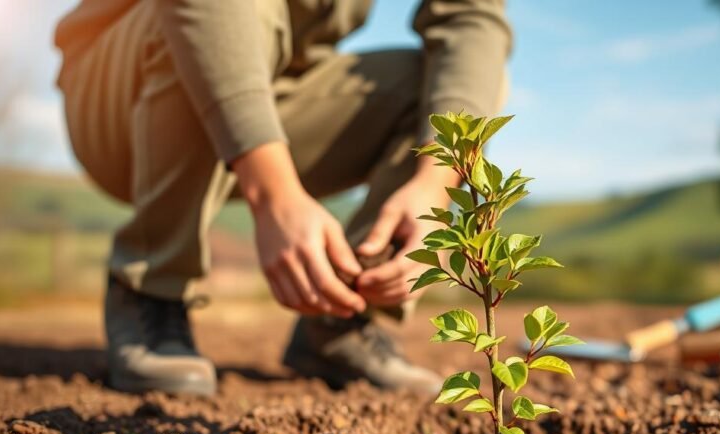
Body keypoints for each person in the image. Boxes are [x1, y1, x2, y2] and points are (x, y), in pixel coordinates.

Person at [53, 0, 511, 396]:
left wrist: (436, 183)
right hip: (126, 90)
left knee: (452, 89)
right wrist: (274, 192)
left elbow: (472, 18)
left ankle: (340, 322)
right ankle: (149, 285)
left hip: (275, 92)